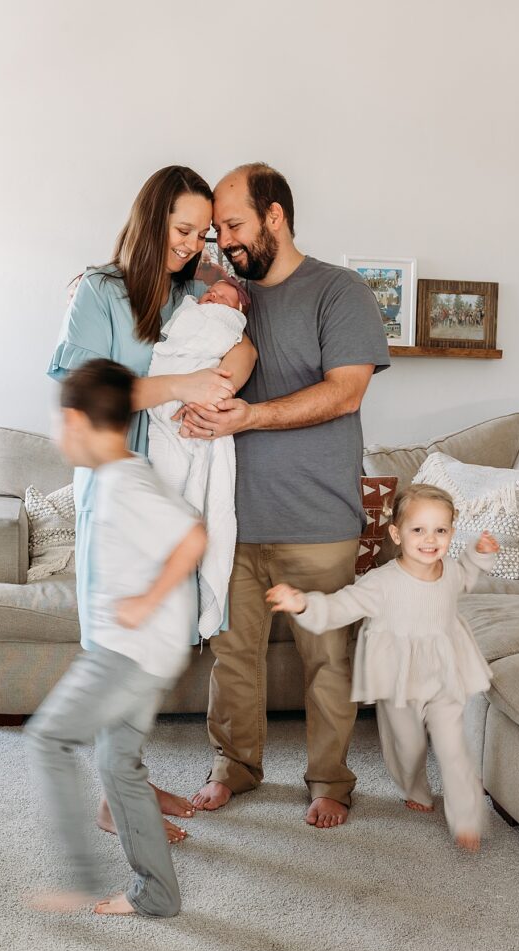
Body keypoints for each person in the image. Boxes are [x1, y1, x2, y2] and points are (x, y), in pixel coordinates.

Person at [47, 166, 257, 842]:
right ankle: (115, 801)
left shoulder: (187, 294)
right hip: (115, 490)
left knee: (163, 635)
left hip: (172, 480)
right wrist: (181, 384)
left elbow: (240, 344)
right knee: (118, 641)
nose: (193, 245)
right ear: (150, 220)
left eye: (201, 235)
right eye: (182, 230)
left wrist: (219, 387)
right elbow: (82, 393)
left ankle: (127, 780)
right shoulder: (98, 291)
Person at [185, 163, 390, 827]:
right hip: (231, 519)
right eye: (216, 230)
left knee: (326, 662)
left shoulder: (339, 290)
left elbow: (345, 390)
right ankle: (233, 767)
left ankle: (329, 780)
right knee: (232, 657)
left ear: (274, 216)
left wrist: (250, 415)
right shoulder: (221, 297)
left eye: (235, 224)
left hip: (318, 520)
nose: (225, 241)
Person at [27, 359, 207, 916]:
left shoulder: (126, 481)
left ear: (79, 423)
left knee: (48, 740)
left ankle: (80, 881)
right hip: (141, 651)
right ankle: (156, 894)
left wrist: (146, 603)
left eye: (60, 424)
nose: (60, 437)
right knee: (117, 764)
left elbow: (193, 536)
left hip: (130, 653)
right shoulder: (114, 476)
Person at [266, 484, 500, 852]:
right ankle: (415, 787)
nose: (430, 539)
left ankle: (467, 818)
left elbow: (468, 576)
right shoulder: (382, 582)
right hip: (398, 678)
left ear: (452, 533)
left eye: (440, 530)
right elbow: (341, 607)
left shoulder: (450, 570)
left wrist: (479, 555)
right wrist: (302, 604)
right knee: (407, 747)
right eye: (418, 530)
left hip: (444, 673)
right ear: (396, 533)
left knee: (454, 746)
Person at [148, 277, 251, 638]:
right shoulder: (183, 306)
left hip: (195, 409)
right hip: (161, 408)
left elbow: (240, 350)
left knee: (185, 489)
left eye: (223, 297)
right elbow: (172, 346)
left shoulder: (230, 325)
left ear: (237, 310)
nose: (212, 296)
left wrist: (210, 395)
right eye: (210, 293)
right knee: (165, 485)